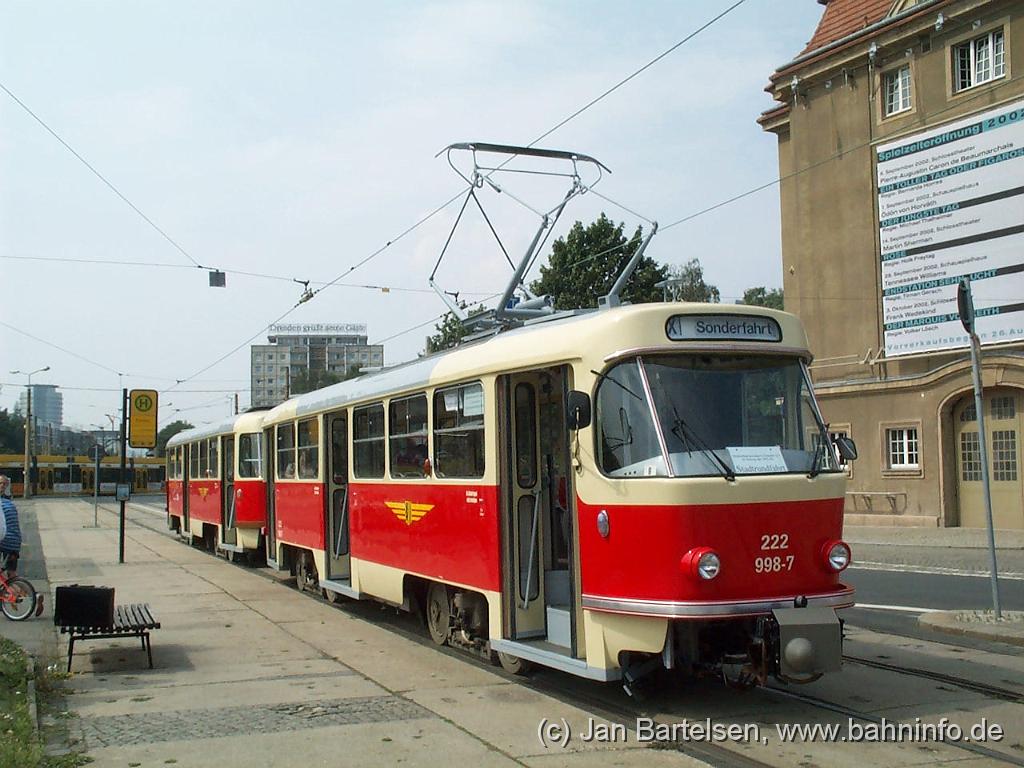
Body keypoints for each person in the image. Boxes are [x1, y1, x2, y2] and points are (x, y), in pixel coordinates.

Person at [0, 475, 22, 578]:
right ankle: (26, 593)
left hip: (5, 540)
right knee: (12, 572)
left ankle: (7, 591)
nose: (2, 486)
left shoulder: (2, 503)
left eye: (3, 484)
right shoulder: (10, 503)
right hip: (16, 542)